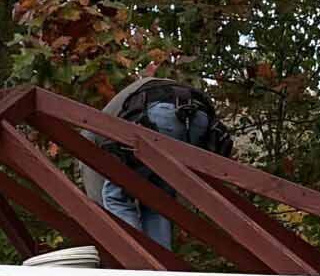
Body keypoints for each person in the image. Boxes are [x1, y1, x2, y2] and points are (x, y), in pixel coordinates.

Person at [83, 77, 233, 249]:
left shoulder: (94, 130)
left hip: (160, 112)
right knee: (157, 202)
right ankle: (159, 261)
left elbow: (91, 165)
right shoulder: (128, 98)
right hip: (200, 119)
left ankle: (134, 258)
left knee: (116, 196)